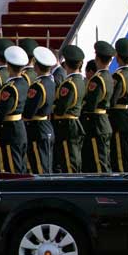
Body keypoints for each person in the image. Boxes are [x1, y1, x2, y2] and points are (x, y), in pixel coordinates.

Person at [23, 46, 58, 174]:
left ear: (37, 66)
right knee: (46, 164)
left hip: (37, 128)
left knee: (38, 166)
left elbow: (29, 111)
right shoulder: (51, 82)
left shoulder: (37, 86)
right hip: (46, 125)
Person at [0, 46, 29, 174]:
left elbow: (2, 111)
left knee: (12, 167)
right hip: (19, 127)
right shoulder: (24, 82)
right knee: (20, 165)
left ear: (8, 66)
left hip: (10, 130)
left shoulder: (9, 88)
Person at [52, 45, 87, 173]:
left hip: (67, 125)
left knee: (68, 160)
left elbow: (61, 108)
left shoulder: (69, 83)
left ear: (66, 64)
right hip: (74, 122)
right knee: (74, 157)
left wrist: (51, 107)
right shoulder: (81, 80)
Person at [81, 41, 113, 173]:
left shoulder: (97, 79)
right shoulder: (109, 76)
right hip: (103, 121)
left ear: (97, 58)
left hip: (96, 123)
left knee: (99, 162)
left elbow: (90, 104)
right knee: (104, 158)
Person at [109, 38, 128, 172]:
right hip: (126, 115)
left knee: (119, 154)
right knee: (124, 151)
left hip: (117, 117)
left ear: (118, 56)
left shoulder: (118, 76)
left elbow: (112, 100)